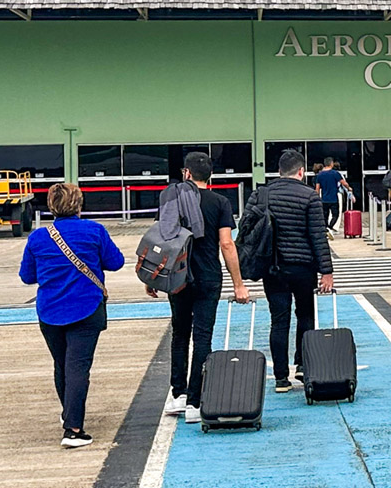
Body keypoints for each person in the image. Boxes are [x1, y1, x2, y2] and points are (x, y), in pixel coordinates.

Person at [147, 152, 250, 425]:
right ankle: (195, 401)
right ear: (210, 176)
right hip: (207, 277)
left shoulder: (172, 199)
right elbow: (227, 244)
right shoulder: (220, 202)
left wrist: (151, 278)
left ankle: (177, 395)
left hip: (177, 278)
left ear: (187, 174)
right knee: (203, 336)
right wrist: (238, 284)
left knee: (180, 333)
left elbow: (161, 239)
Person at [19, 183, 125, 448]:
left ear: (51, 206)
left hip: (49, 310)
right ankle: (73, 429)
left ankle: (69, 412)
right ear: (79, 204)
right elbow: (116, 262)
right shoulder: (94, 231)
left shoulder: (38, 238)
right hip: (86, 308)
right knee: (78, 366)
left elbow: (27, 276)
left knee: (61, 364)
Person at [262, 148, 334, 392]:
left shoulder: (263, 195)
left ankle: (281, 377)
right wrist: (327, 271)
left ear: (279, 171)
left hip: (273, 267)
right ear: (301, 171)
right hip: (303, 268)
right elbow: (318, 236)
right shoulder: (309, 197)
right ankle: (303, 365)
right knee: (305, 315)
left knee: (278, 321)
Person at [315, 156, 352, 239]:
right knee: (336, 215)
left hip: (324, 199)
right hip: (333, 198)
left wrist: (316, 198)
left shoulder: (320, 175)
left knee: (325, 216)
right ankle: (329, 228)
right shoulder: (335, 173)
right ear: (331, 163)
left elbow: (317, 188)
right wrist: (349, 188)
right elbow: (344, 183)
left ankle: (326, 230)